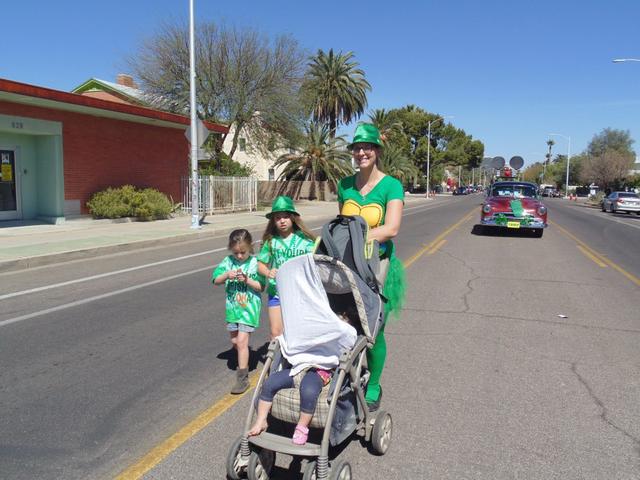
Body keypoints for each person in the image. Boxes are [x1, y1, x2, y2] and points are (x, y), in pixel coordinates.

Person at [337, 123, 406, 412]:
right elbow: (339, 225)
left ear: (376, 151)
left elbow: (391, 229)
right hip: (348, 264)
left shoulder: (391, 185)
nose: (361, 152)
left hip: (378, 266)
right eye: (357, 147)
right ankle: (342, 375)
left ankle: (374, 383)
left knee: (372, 328)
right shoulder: (344, 185)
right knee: (342, 323)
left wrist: (359, 235)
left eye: (367, 147)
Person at [212, 229, 264, 394]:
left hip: (249, 310)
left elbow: (261, 286)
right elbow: (215, 280)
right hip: (233, 310)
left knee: (241, 342)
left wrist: (247, 280)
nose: (240, 256)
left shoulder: (255, 264)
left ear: (250, 248)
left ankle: (242, 379)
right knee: (235, 342)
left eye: (243, 252)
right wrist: (227, 275)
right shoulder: (228, 262)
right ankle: (246, 353)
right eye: (236, 253)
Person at [257, 196, 316, 339]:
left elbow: (317, 261)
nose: (282, 221)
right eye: (278, 218)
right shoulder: (271, 242)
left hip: (300, 292)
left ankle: (295, 360)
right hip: (277, 292)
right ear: (273, 221)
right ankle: (278, 360)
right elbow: (260, 265)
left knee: (298, 332)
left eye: (285, 217)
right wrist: (268, 272)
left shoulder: (306, 240)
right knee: (276, 333)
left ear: (293, 218)